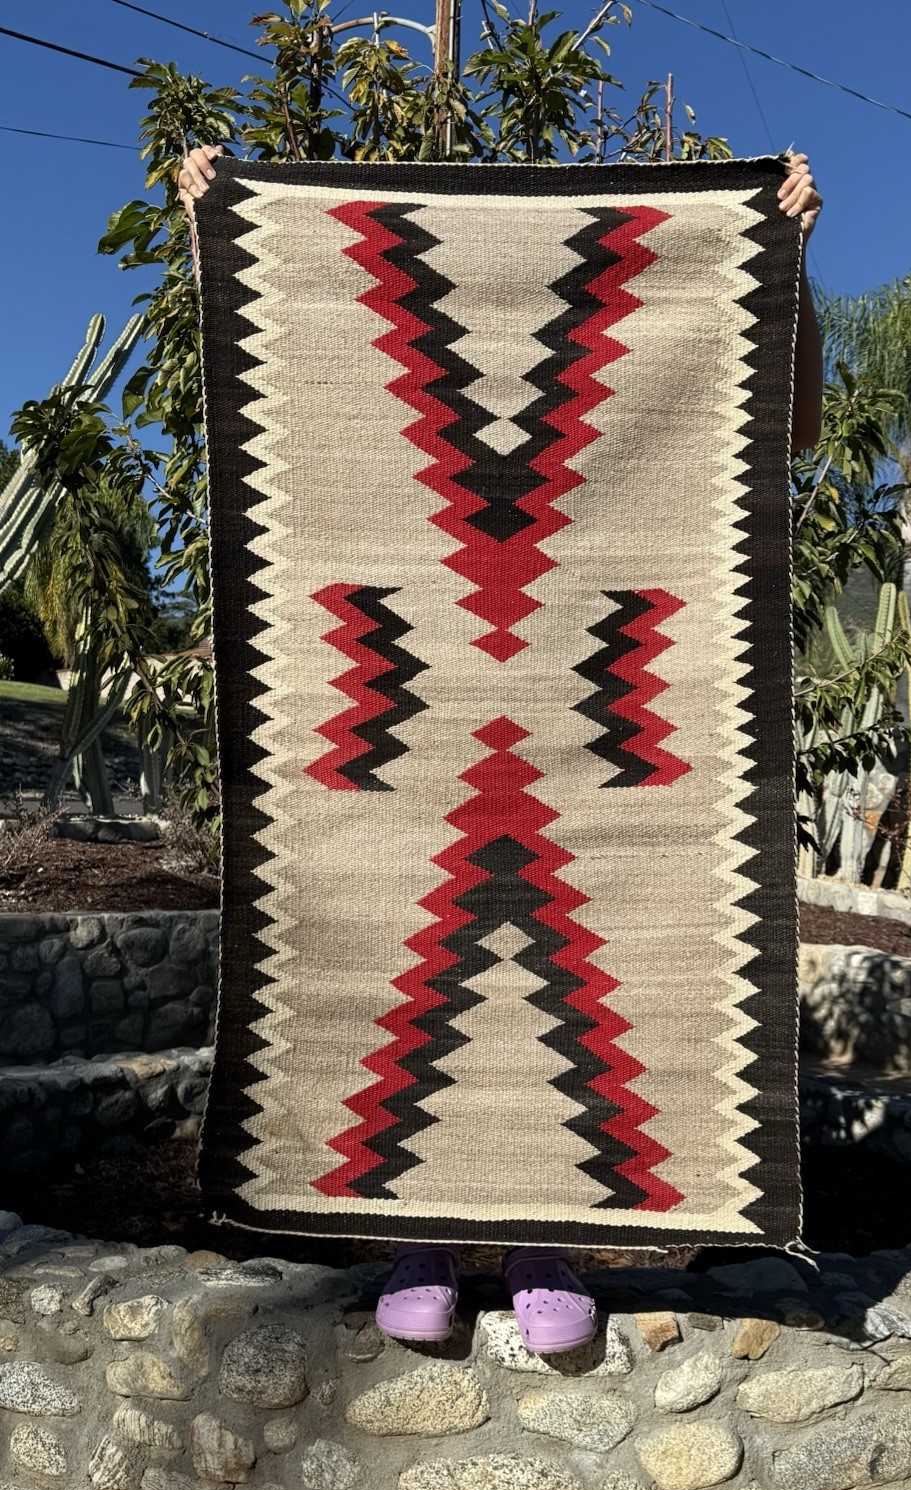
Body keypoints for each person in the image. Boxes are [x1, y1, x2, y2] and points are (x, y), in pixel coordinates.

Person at [180, 144, 824, 1355]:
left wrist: (787, 258)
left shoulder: (673, 314)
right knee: (390, 946)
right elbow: (301, 402)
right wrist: (226, 212)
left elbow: (776, 429)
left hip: (589, 761)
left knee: (601, 961)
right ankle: (413, 1237)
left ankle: (546, 1243)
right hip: (413, 752)